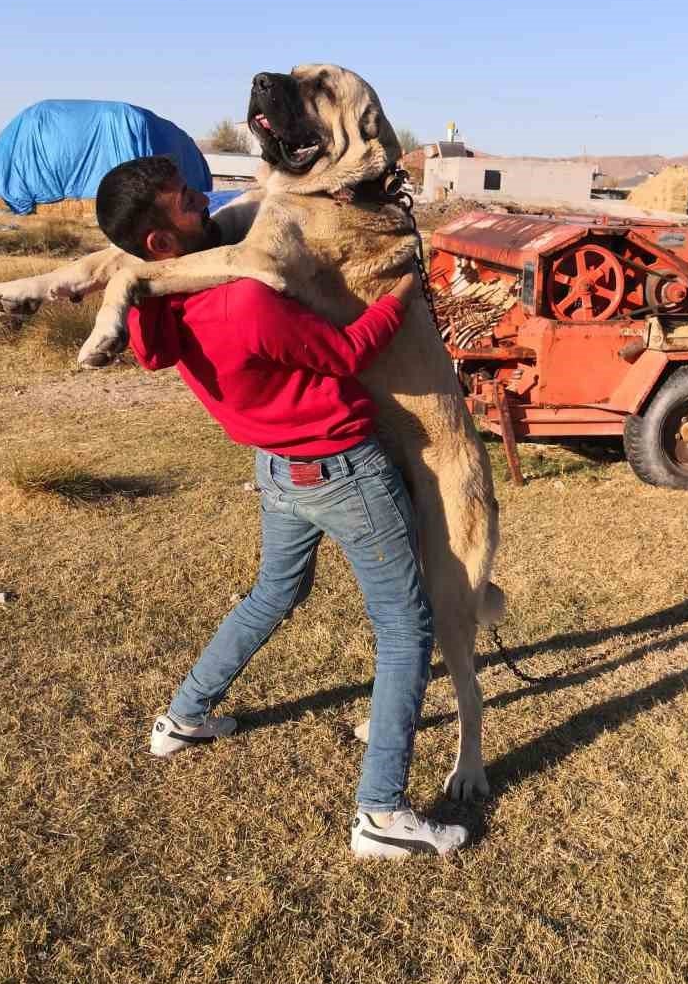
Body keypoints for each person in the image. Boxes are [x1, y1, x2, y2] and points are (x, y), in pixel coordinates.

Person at [94, 155, 468, 861]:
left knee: (275, 592)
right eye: (184, 202)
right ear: (159, 245)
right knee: (405, 627)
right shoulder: (243, 301)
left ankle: (185, 716)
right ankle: (382, 812)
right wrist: (402, 295)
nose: (203, 202)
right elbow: (347, 350)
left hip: (277, 467)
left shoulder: (159, 308)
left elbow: (154, 351)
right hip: (342, 468)